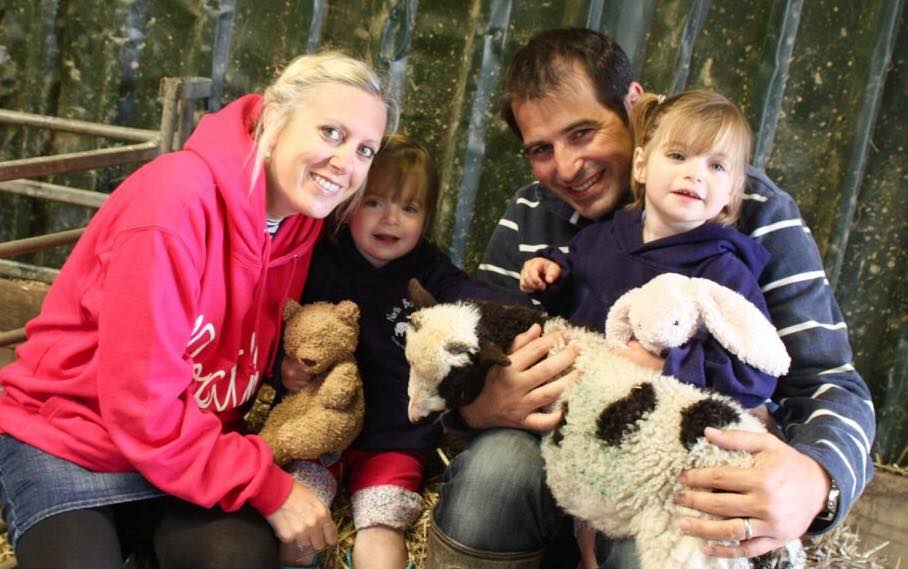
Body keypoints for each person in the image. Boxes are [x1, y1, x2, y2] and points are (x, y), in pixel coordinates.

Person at [427, 28, 875, 569]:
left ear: (636, 110)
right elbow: (477, 338)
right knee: (493, 472)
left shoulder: (744, 209)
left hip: (672, 455)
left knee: (675, 523)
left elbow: (828, 378)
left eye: (583, 132)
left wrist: (817, 481)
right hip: (558, 450)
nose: (567, 168)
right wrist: (477, 406)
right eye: (542, 150)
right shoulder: (533, 211)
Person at [0, 52, 397, 569]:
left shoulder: (302, 223)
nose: (347, 164)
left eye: (366, 149)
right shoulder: (177, 203)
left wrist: (287, 371)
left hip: (188, 449)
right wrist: (267, 486)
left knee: (238, 558)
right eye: (331, 133)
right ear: (275, 118)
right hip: (74, 441)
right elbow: (141, 404)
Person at [520, 89, 780, 567]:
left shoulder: (724, 270)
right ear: (641, 164)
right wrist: (550, 275)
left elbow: (755, 371)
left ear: (732, 192)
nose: (695, 173)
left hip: (653, 440)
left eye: (716, 167)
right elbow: (576, 287)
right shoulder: (602, 237)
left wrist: (668, 364)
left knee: (616, 540)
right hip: (580, 420)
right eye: (678, 155)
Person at [278, 133, 492, 569]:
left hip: (396, 437)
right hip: (319, 428)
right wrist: (283, 370)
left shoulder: (430, 271)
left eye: (409, 208)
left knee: (381, 525)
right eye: (375, 202)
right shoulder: (321, 261)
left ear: (427, 219)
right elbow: (282, 327)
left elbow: (474, 300)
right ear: (347, 204)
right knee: (302, 525)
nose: (391, 219)